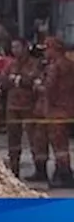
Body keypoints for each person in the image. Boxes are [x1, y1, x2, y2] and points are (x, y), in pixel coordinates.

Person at [2, 38, 41, 177]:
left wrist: (17, 80)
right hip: (12, 106)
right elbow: (3, 81)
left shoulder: (34, 64)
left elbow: (33, 80)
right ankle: (14, 170)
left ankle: (39, 170)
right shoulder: (10, 65)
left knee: (34, 138)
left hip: (29, 106)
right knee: (13, 139)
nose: (14, 50)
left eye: (17, 47)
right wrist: (19, 80)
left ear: (26, 47)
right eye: (13, 47)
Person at [39, 36, 74, 188]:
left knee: (59, 145)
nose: (45, 52)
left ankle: (64, 173)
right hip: (68, 108)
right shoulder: (70, 64)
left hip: (56, 110)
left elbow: (49, 88)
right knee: (63, 145)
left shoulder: (55, 67)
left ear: (54, 49)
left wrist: (38, 86)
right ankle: (64, 172)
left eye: (47, 49)